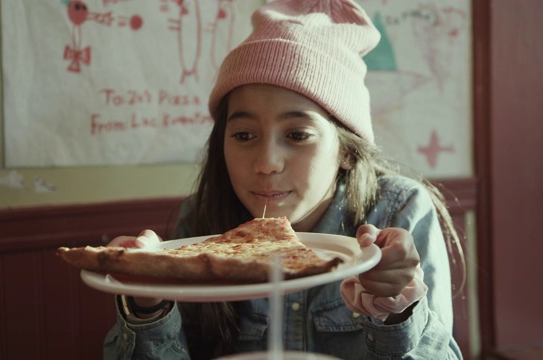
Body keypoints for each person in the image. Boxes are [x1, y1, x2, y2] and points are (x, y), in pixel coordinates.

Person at [103, 0, 463, 359]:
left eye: (297, 135)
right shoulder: (202, 222)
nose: (266, 163)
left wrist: (395, 309)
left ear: (347, 151)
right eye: (244, 136)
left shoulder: (398, 214)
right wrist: (147, 304)